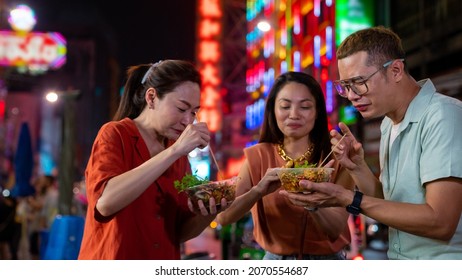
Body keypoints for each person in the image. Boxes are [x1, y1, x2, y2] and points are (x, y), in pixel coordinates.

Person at [281, 26, 462, 259]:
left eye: (359, 81)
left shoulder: (443, 116)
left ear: (396, 70)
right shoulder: (389, 123)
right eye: (345, 86)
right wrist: (357, 167)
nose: (352, 95)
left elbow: (440, 222)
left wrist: (347, 198)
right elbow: (389, 205)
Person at [78, 60, 229, 260]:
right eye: (181, 108)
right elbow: (105, 203)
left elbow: (180, 232)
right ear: (151, 97)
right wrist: (175, 151)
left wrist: (210, 212)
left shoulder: (179, 154)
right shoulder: (116, 134)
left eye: (193, 112)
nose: (188, 121)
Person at [217, 71, 355, 260]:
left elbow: (335, 228)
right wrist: (258, 191)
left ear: (317, 113)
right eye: (285, 106)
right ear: (273, 111)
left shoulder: (337, 156)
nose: (294, 114)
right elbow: (223, 218)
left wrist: (311, 202)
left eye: (305, 107)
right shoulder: (257, 156)